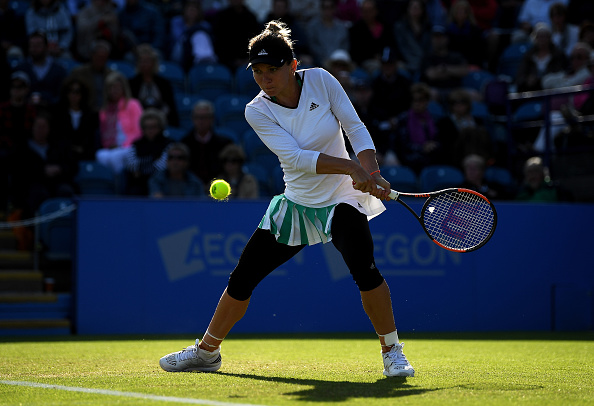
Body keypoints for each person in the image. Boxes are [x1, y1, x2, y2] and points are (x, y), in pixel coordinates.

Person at [159, 20, 415, 378]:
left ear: (292, 65)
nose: (265, 78)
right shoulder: (256, 110)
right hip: (297, 202)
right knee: (243, 276)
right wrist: (349, 166)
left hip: (341, 197)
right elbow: (295, 158)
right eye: (258, 71)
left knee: (363, 265)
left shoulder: (322, 81)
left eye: (272, 69)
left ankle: (392, 351)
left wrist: (370, 171)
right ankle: (206, 353)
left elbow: (354, 127)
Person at [96, 71, 143, 174]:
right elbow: (103, 134)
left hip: (130, 147)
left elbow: (138, 132)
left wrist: (123, 146)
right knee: (100, 155)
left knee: (117, 156)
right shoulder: (104, 110)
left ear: (124, 89)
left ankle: (119, 184)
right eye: (111, 87)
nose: (115, 90)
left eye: (118, 87)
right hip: (111, 148)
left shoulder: (132, 104)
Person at [180, 99, 234, 188]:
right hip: (190, 189)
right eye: (197, 117)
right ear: (193, 119)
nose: (201, 121)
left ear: (212, 119)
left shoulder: (224, 144)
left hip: (219, 187)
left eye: (204, 117)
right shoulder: (184, 143)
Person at [393, 82, 445, 173]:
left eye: (421, 100)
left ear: (427, 101)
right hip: (411, 157)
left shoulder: (434, 119)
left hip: (431, 156)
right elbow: (402, 145)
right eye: (414, 100)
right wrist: (422, 148)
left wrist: (433, 145)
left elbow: (439, 140)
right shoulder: (404, 119)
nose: (417, 103)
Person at [51, 77, 100, 165]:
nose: (74, 95)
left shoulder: (90, 115)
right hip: (63, 155)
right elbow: (57, 137)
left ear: (82, 94)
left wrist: (82, 149)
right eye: (70, 91)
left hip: (86, 154)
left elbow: (91, 138)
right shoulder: (58, 113)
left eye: (77, 91)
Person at [129, 44, 179, 127]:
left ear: (153, 63)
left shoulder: (164, 83)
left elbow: (170, 107)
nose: (145, 64)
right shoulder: (132, 83)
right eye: (142, 61)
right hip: (139, 121)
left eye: (147, 61)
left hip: (161, 121)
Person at [124, 108, 171, 195]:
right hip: (139, 184)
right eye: (147, 127)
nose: (150, 130)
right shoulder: (136, 144)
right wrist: (152, 160)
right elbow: (132, 166)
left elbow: (161, 167)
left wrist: (141, 167)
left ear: (160, 127)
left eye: (154, 127)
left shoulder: (168, 144)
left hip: (161, 183)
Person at [14, 31, 67, 106]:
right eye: (32, 45)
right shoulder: (21, 68)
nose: (34, 48)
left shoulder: (59, 70)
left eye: (38, 45)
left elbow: (62, 95)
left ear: (46, 47)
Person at [515, 22, 567, 93]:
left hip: (551, 90)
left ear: (550, 38)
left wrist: (542, 80)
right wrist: (527, 80)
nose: (542, 40)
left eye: (545, 36)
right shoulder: (529, 56)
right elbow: (520, 76)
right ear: (535, 38)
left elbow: (562, 74)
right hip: (531, 90)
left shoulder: (558, 55)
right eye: (539, 37)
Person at [348, 0, 395, 73]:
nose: (367, 14)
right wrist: (373, 56)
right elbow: (355, 53)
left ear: (376, 11)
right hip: (366, 61)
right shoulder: (355, 29)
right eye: (364, 11)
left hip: (387, 59)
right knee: (377, 69)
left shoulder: (385, 26)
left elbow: (391, 45)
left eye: (370, 10)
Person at [168, 0, 217, 71]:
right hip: (181, 49)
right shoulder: (176, 21)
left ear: (198, 12)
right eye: (190, 10)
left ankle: (204, 62)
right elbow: (177, 37)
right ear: (185, 11)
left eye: (194, 10)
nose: (191, 13)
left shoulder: (204, 25)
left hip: (195, 51)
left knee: (200, 35)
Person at [68, 40, 114, 112]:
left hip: (106, 112)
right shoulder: (78, 73)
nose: (100, 60)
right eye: (98, 57)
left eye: (103, 57)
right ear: (92, 56)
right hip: (84, 112)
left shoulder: (112, 75)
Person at [393, 0, 433, 77]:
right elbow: (401, 48)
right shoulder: (400, 27)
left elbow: (429, 48)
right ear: (408, 9)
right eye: (412, 6)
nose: (415, 8)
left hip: (425, 63)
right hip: (406, 63)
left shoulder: (427, 27)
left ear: (422, 10)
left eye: (417, 7)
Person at [306, 0, 350, 67]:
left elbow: (344, 45)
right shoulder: (313, 26)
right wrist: (325, 58)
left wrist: (336, 57)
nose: (327, 10)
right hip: (319, 61)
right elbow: (312, 45)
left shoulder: (341, 27)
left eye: (330, 7)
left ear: (334, 9)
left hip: (339, 62)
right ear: (321, 9)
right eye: (325, 7)